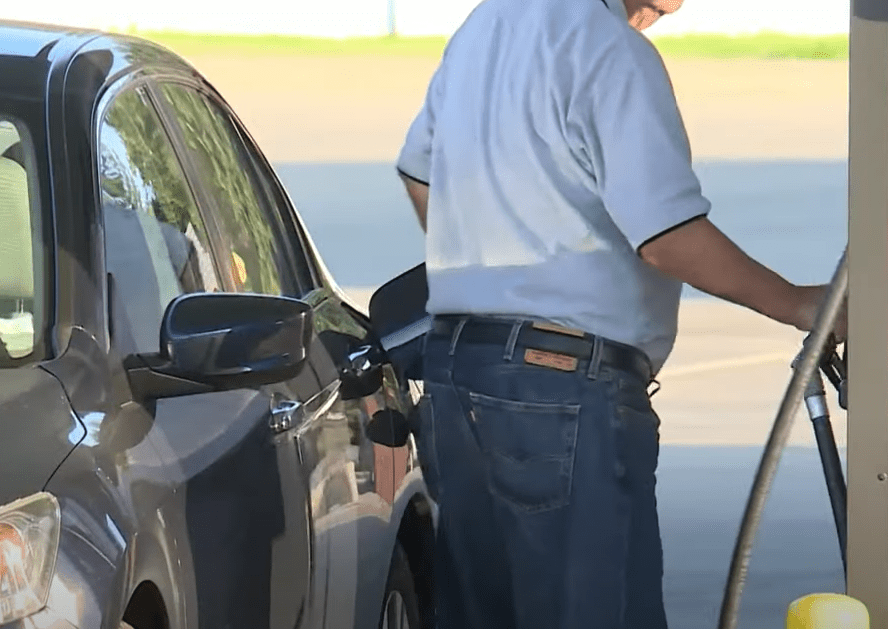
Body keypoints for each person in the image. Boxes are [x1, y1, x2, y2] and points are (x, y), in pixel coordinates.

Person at [395, 0, 848, 627]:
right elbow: (665, 235)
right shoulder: (612, 52)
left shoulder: (487, 25)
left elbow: (421, 173)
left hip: (456, 373)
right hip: (561, 385)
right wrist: (800, 303)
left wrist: (496, 265)